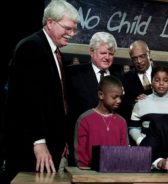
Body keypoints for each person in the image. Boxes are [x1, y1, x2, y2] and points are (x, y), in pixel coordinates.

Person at [2, 0, 80, 182]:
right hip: (31, 149)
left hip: (52, 147)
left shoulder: (57, 53)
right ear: (50, 23)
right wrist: (38, 141)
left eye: (74, 29)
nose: (71, 34)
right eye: (67, 28)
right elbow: (26, 100)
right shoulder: (31, 47)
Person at [66, 32, 117, 165]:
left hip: (112, 149)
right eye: (103, 53)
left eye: (111, 54)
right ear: (91, 52)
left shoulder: (120, 78)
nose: (107, 57)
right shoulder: (73, 73)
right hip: (80, 147)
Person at [74, 76, 128, 168]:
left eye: (121, 97)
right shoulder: (84, 119)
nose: (119, 101)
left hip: (116, 173)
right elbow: (80, 153)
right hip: (90, 174)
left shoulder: (121, 121)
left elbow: (125, 151)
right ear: (101, 95)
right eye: (114, 97)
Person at [129, 66, 168, 146]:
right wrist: (141, 141)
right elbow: (133, 128)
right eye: (157, 80)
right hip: (147, 150)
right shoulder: (141, 102)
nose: (161, 83)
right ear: (151, 81)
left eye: (165, 80)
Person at [119, 40, 153, 125]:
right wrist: (135, 102)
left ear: (149, 53)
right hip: (135, 127)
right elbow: (121, 106)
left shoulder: (164, 75)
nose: (139, 61)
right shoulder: (124, 79)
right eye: (135, 58)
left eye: (142, 56)